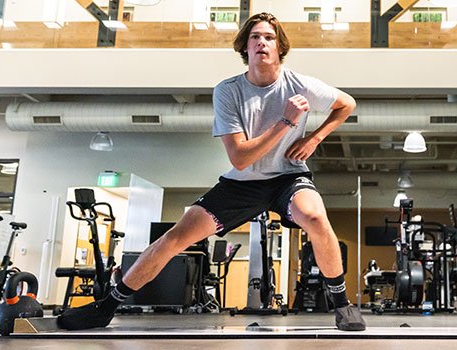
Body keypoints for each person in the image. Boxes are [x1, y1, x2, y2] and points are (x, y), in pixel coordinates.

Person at [57, 12, 366, 332]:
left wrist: (313, 137)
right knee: (174, 238)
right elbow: (240, 159)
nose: (262, 42)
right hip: (242, 183)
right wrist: (286, 123)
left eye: (269, 38)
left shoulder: (299, 84)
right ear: (245, 48)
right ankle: (106, 307)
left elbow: (346, 103)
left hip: (288, 176)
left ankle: (342, 305)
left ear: (280, 48)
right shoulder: (228, 91)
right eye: (255, 37)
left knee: (315, 217)